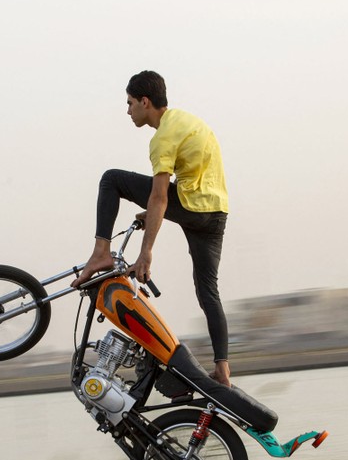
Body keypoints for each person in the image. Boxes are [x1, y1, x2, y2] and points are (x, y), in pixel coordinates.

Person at [71, 70, 233, 387]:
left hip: (191, 206)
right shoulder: (187, 121)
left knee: (111, 179)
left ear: (145, 102)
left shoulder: (162, 138)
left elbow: (160, 197)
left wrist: (145, 254)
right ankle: (223, 371)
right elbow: (177, 189)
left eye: (130, 103)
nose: (128, 110)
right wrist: (154, 211)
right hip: (216, 212)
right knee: (208, 292)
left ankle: (100, 254)